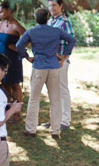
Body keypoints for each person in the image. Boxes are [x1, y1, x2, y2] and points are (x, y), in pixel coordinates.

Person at [17, 8, 76, 138]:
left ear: (36, 18)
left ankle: (31, 129)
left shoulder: (32, 31)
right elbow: (72, 40)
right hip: (54, 66)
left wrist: (27, 57)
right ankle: (55, 130)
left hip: (39, 66)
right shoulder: (56, 31)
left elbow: (19, 45)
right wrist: (65, 56)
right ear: (48, 17)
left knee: (34, 98)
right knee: (55, 99)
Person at [48, 0, 76, 131]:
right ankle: (54, 119)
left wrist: (64, 58)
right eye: (50, 5)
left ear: (61, 6)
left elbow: (72, 40)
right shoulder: (49, 22)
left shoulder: (65, 22)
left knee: (62, 90)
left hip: (60, 63)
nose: (51, 8)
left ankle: (65, 120)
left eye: (54, 5)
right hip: (49, 62)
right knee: (53, 91)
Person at [0, 1, 26, 112]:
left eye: (1, 12)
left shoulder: (16, 25)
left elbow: (28, 37)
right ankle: (7, 108)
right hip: (0, 57)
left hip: (12, 59)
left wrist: (19, 47)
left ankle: (17, 111)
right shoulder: (0, 24)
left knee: (14, 84)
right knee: (5, 82)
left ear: (9, 10)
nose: (0, 15)